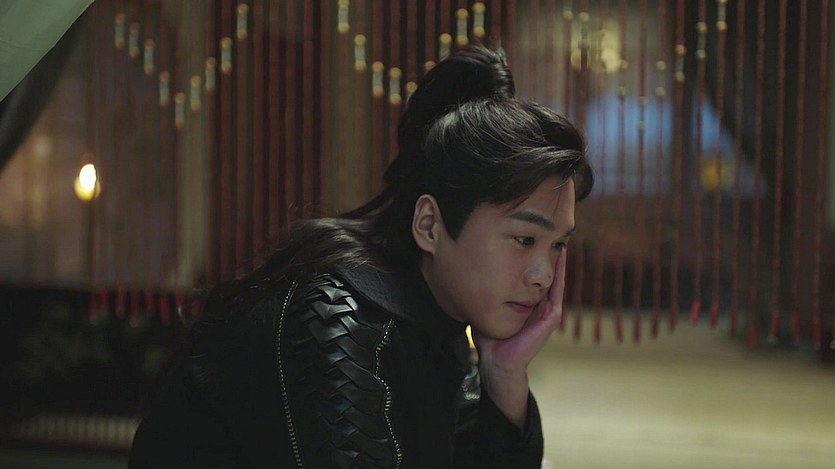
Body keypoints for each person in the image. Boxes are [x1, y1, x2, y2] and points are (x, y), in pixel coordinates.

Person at [128, 42, 593, 468]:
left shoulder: (440, 311)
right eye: (524, 240)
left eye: (558, 245)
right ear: (429, 225)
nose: (543, 275)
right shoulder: (339, 320)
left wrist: (505, 373)